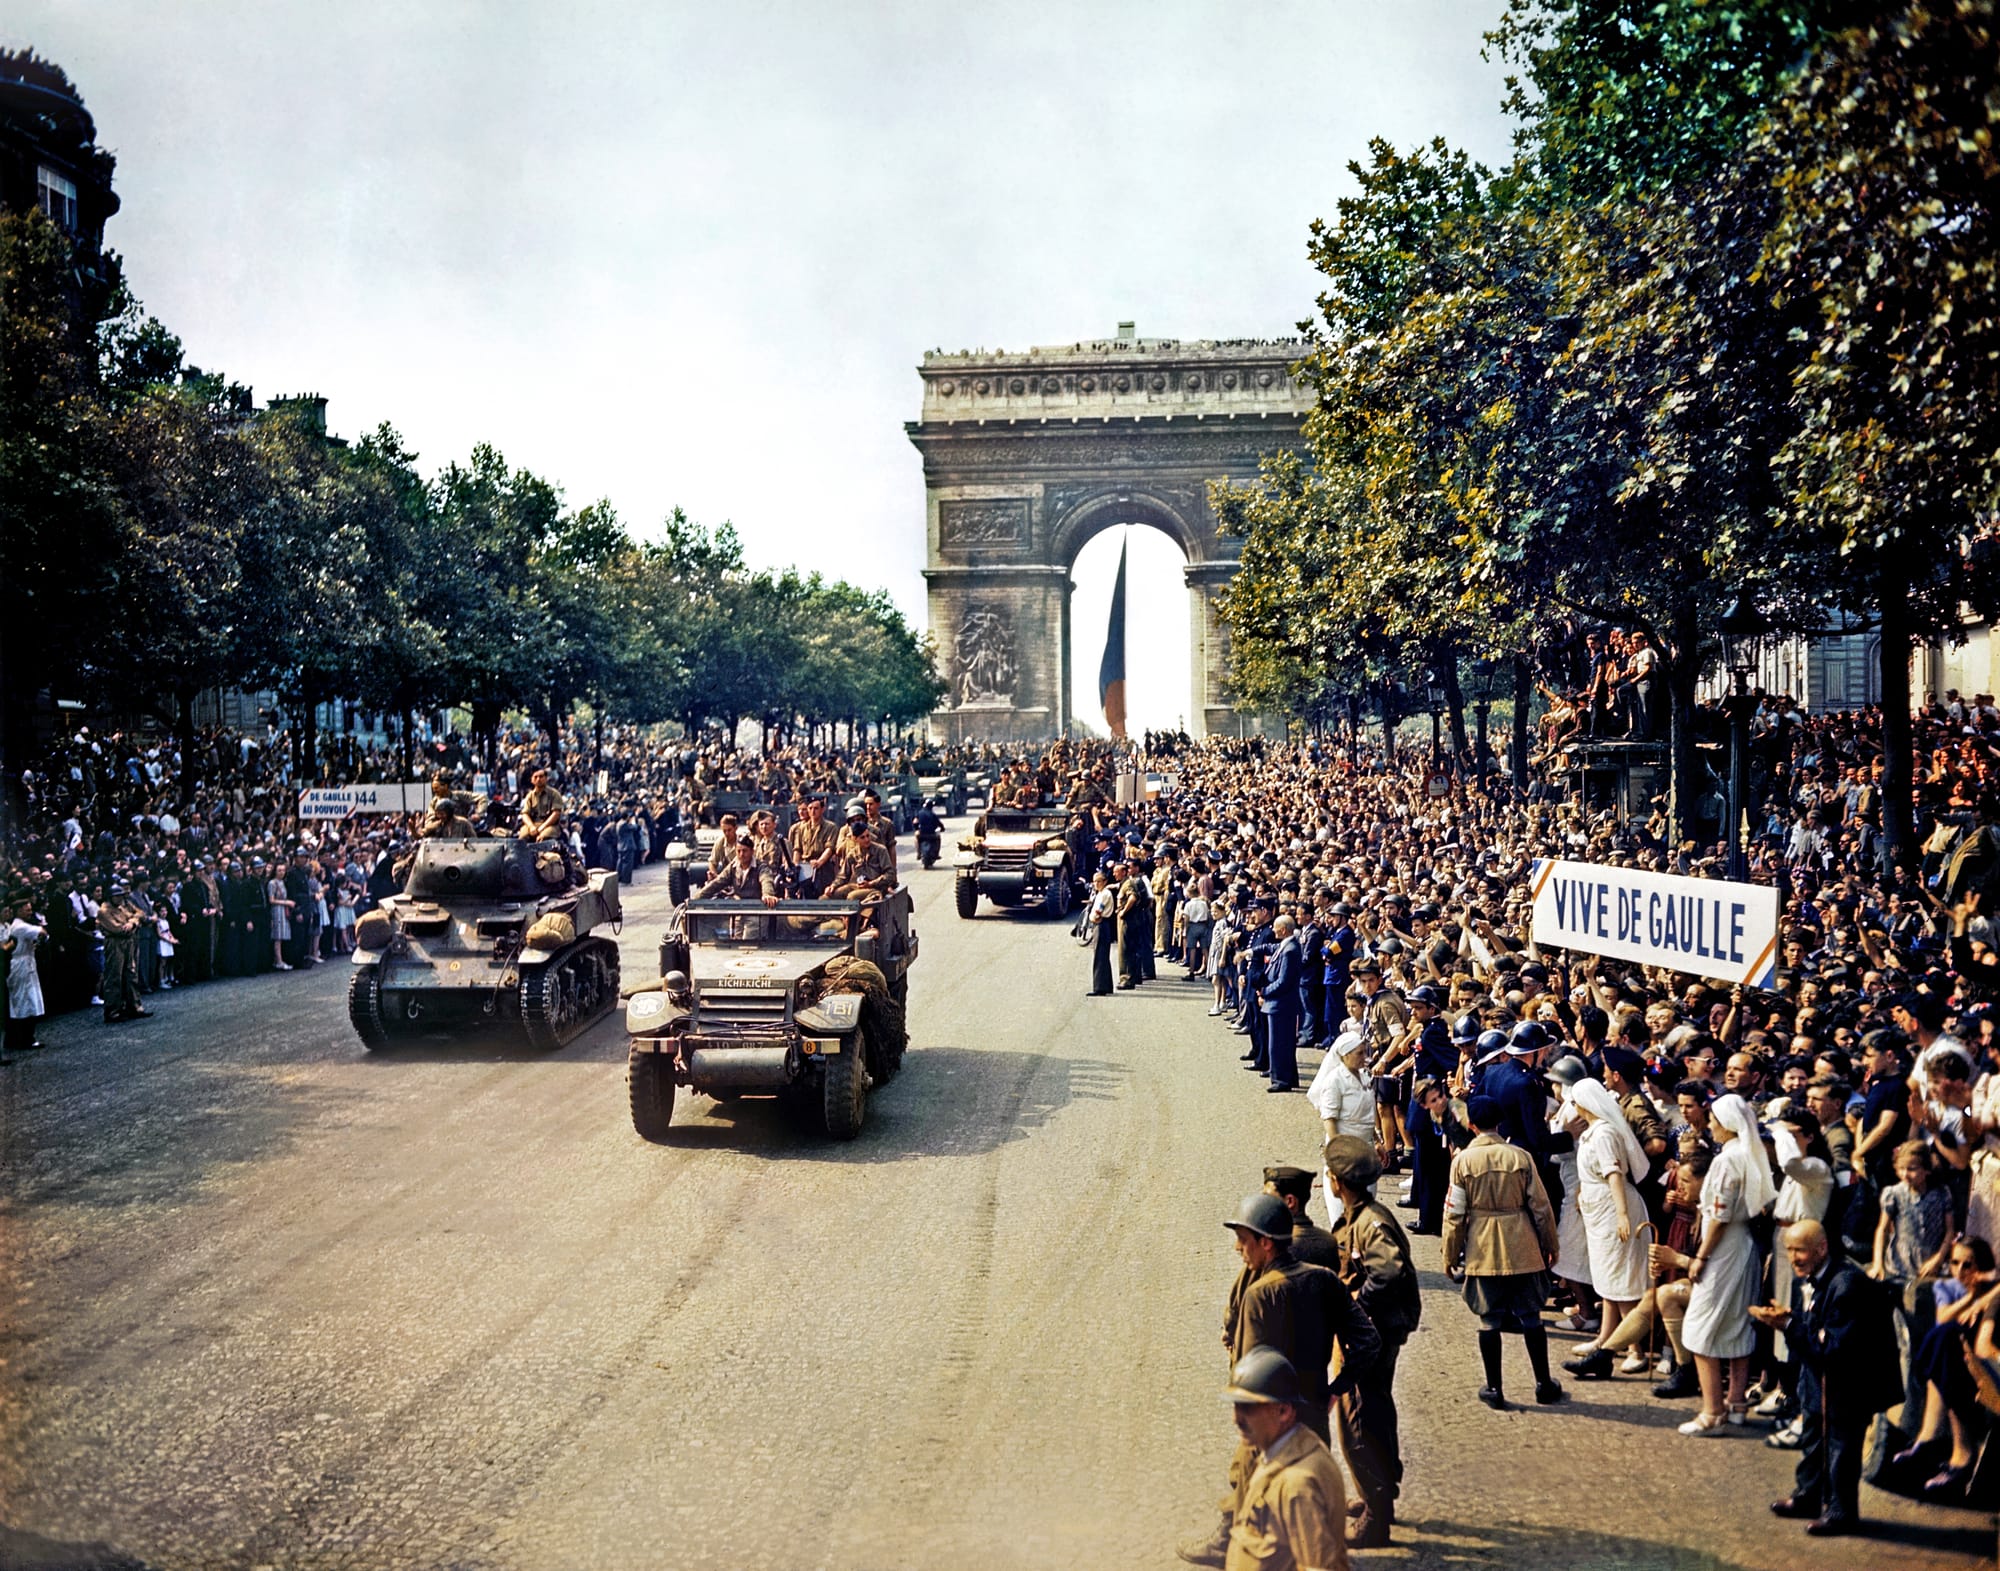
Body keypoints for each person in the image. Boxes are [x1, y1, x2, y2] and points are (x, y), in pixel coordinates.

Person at [1180, 1193, 1379, 1570]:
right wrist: (1337, 1387)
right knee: (1306, 1499)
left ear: (1265, 1243)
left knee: (1251, 1491)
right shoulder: (1324, 1280)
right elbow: (1368, 1340)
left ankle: (1229, 1546)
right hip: (1314, 1416)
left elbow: (1250, 1375)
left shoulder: (1260, 1294)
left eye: (1243, 1238)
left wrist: (1244, 1410)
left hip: (1271, 1422)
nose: (1238, 1247)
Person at [1756, 1219, 1901, 1536]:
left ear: (1821, 1248)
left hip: (1848, 1384)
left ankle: (1841, 1512)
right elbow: (1814, 1331)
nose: (1794, 1257)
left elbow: (1835, 1346)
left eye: (1801, 1250)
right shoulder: (1808, 1279)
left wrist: (1788, 1327)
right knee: (1812, 1439)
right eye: (1790, 1250)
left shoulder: (1846, 1284)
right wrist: (1791, 1320)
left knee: (1841, 1449)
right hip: (1817, 1379)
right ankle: (1807, 1497)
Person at [1324, 1135, 1418, 1550]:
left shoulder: (1369, 1223)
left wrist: (1357, 1306)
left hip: (1372, 1333)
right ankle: (1379, 1498)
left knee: (1359, 1419)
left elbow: (1390, 1271)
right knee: (1374, 1409)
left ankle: (1375, 1517)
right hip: (1374, 1330)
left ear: (1338, 1182)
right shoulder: (1357, 1216)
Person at [1442, 1094, 1564, 1409]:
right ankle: (1543, 1383)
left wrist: (1449, 1254)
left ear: (1471, 1125)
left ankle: (1494, 1388)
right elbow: (1541, 1207)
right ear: (1500, 1123)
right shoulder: (1520, 1157)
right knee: (1530, 1315)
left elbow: (1454, 1214)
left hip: (1483, 1247)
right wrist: (1550, 1243)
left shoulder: (1462, 1162)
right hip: (1522, 1242)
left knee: (1489, 1319)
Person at [1676, 1092, 1774, 1434]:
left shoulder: (1726, 1161)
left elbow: (1718, 1216)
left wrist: (1700, 1256)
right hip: (1743, 1246)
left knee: (1701, 1330)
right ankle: (1736, 1404)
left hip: (1724, 1249)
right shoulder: (1748, 1155)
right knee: (1736, 1325)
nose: (1712, 1125)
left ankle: (1712, 1411)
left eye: (1716, 1120)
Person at [1219, 1348, 1350, 1571]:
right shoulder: (1281, 1450)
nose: (1236, 1419)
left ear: (1283, 1412)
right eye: (1235, 1406)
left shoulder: (1297, 1485)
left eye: (1247, 1408)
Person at [1561, 1077, 1652, 1379]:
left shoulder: (1604, 1134)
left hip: (1613, 1209)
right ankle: (1606, 1339)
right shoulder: (1591, 1133)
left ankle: (1635, 1349)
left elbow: (1614, 1174)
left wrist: (1623, 1215)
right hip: (1597, 1211)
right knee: (1607, 1279)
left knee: (1622, 1281)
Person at [1262, 1166, 1339, 1268]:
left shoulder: (1274, 1246)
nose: (1262, 1203)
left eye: (1268, 1198)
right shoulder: (1329, 1241)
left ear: (1290, 1201)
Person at [97, 885, 152, 1024]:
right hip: (115, 943)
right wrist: (133, 923)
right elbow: (117, 929)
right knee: (114, 976)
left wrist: (132, 922)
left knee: (131, 974)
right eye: (117, 896)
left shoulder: (124, 905)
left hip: (129, 942)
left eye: (121, 895)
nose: (120, 898)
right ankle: (113, 1011)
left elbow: (140, 913)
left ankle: (134, 1007)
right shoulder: (104, 911)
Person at [1260, 915, 1303, 1093]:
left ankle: (1281, 1079)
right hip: (1279, 1003)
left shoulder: (1290, 949)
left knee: (1278, 1044)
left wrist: (1265, 991)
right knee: (1284, 1042)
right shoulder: (1286, 945)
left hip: (1282, 1003)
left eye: (1276, 928)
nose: (1273, 930)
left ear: (1284, 929)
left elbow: (1284, 981)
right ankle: (1288, 1076)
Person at [3, 892, 48, 1055]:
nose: (30, 912)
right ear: (19, 911)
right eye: (27, 910)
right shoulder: (20, 926)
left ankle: (16, 1038)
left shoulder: (16, 926)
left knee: (23, 1000)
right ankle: (25, 1038)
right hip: (20, 964)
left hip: (26, 961)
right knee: (24, 1000)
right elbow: (42, 932)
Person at [1085, 870, 1117, 997]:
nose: (1096, 884)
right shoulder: (1100, 893)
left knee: (1100, 956)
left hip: (1101, 924)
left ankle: (1099, 987)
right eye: (1094, 881)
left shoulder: (1105, 894)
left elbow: (1099, 910)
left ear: (1105, 882)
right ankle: (1106, 985)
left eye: (1099, 881)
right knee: (1102, 955)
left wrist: (1095, 917)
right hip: (1101, 924)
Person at [519, 767, 567, 842]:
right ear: (532, 780)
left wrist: (543, 827)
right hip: (533, 824)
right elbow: (525, 814)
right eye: (535, 777)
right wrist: (531, 826)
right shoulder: (530, 796)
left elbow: (556, 813)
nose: (538, 779)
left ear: (546, 778)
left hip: (550, 826)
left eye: (541, 776)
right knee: (522, 837)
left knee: (543, 837)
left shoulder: (554, 794)